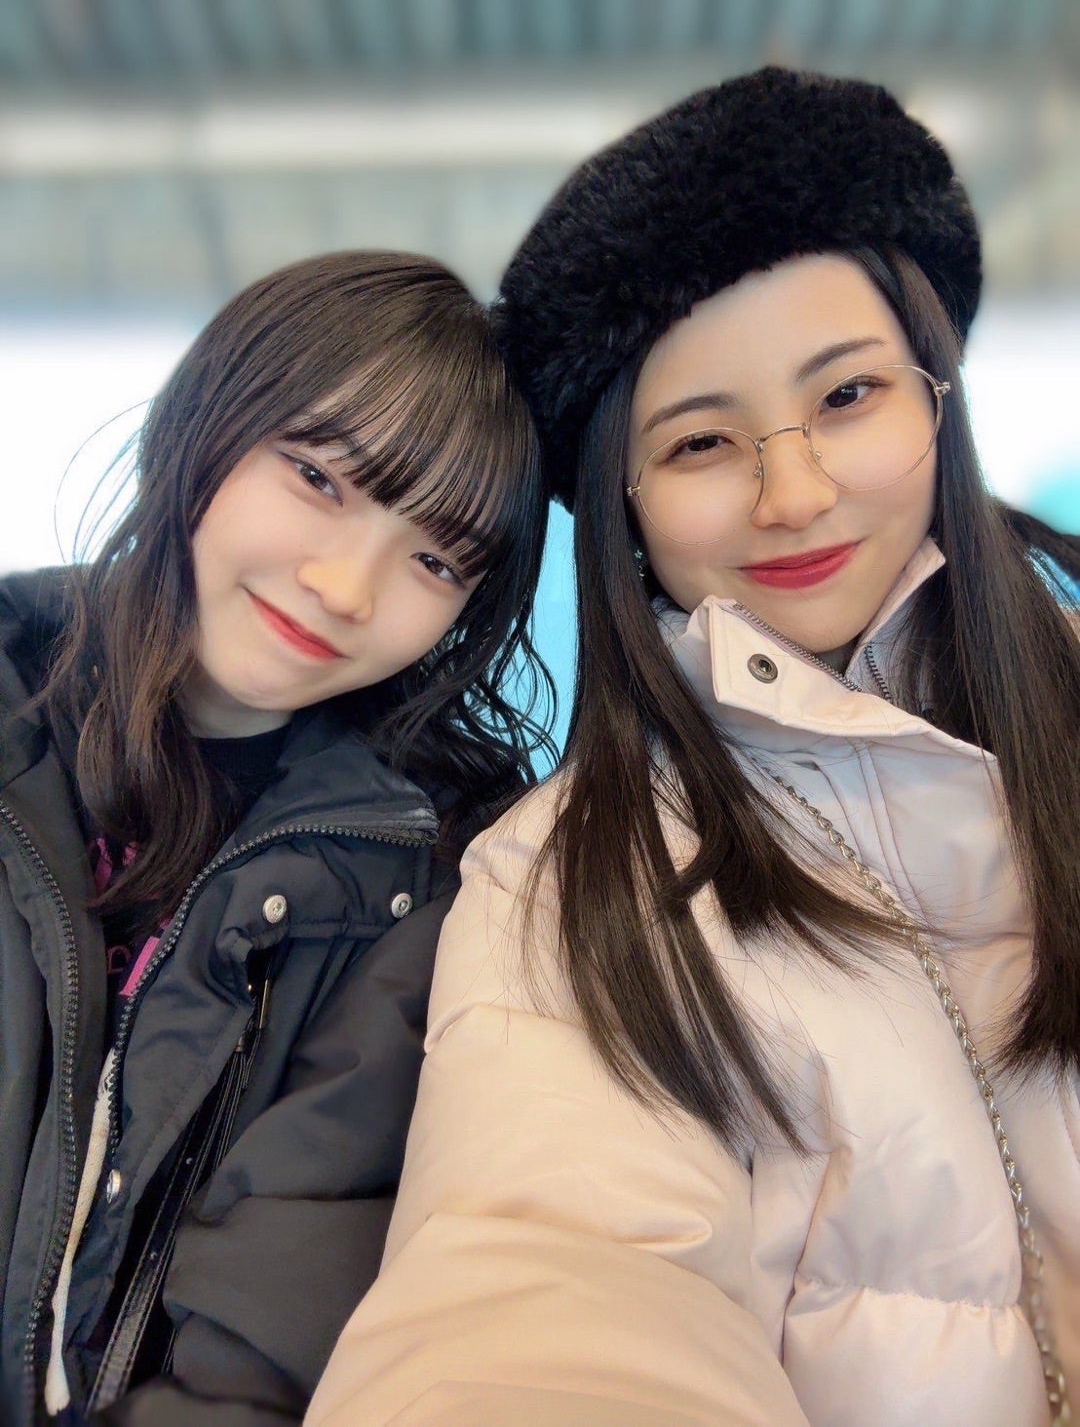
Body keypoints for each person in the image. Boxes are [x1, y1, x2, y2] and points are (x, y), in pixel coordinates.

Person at [307, 69, 1080, 1427]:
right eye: (703, 441)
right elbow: (542, 1285)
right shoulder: (564, 882)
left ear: (936, 395)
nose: (795, 492)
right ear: (624, 502)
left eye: (848, 394)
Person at [0, 248, 552, 1426]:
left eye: (435, 557)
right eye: (317, 477)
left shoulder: (436, 874)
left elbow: (284, 1299)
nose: (346, 586)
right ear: (207, 418)